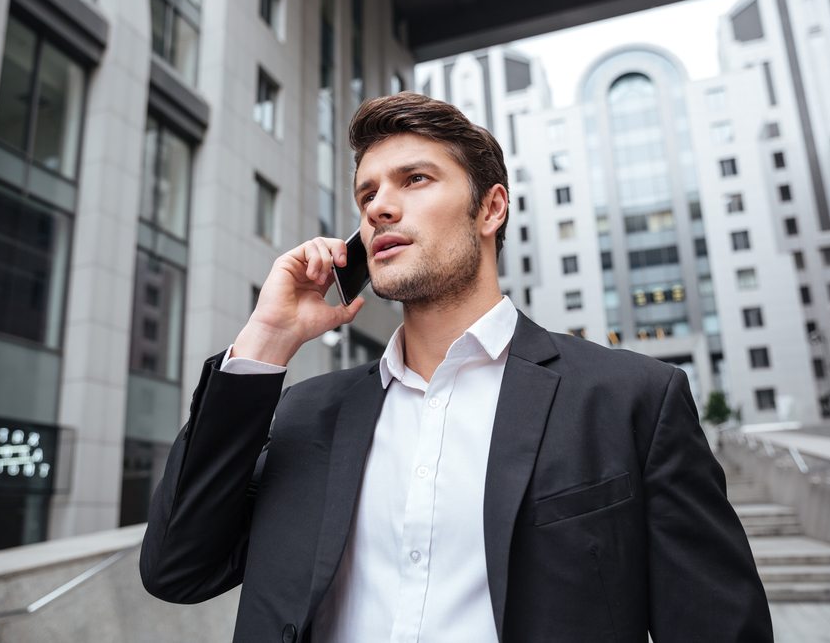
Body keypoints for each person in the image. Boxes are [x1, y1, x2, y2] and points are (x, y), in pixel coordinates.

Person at [140, 92, 773, 642]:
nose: (380, 208)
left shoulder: (630, 398)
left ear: (491, 209)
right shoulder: (306, 415)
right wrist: (266, 340)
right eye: (368, 193)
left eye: (414, 180)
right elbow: (177, 569)